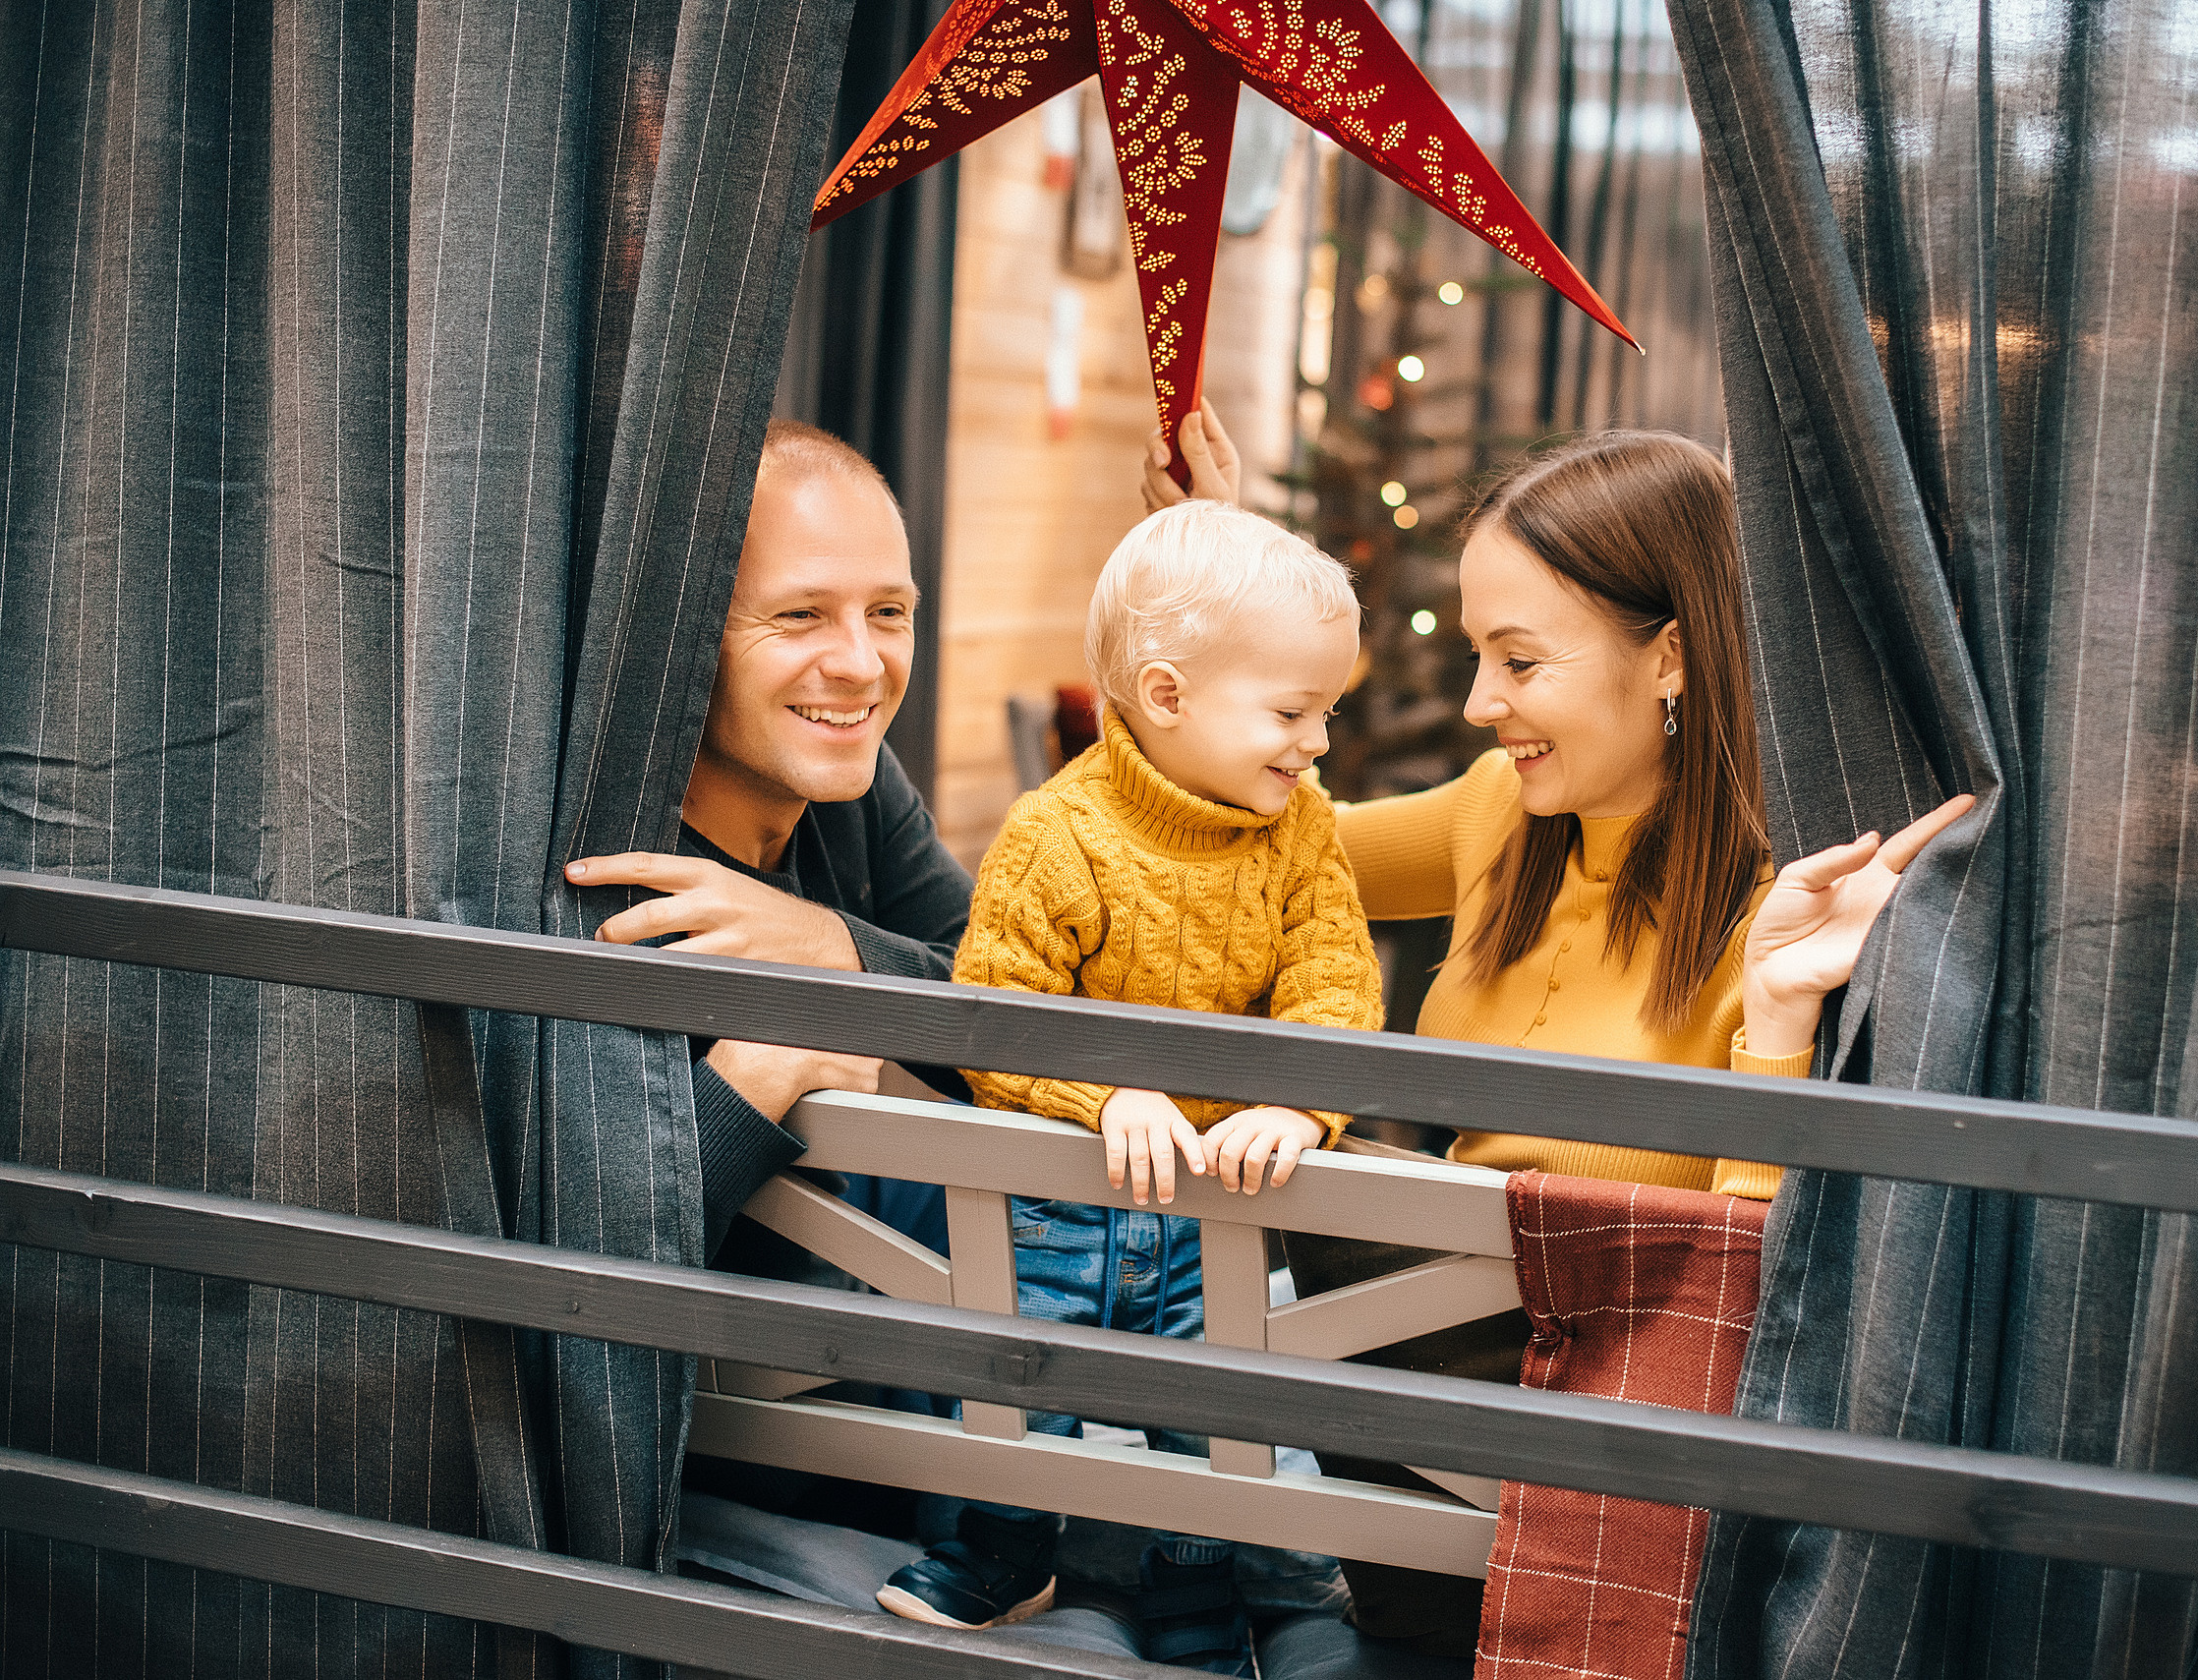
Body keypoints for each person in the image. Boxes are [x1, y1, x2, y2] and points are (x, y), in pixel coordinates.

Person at [1141, 415, 1972, 1651]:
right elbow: (1252, 831)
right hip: (1410, 1413)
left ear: (1673, 656)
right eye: (1482, 656)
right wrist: (1193, 580)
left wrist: (1781, 1014)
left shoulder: (1799, 894)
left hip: (1603, 1461)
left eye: (1519, 661)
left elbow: (1761, 1295)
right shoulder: (1501, 811)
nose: (1481, 702)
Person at [872, 500, 1383, 1671]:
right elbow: (992, 1012)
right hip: (1064, 1195)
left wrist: (1297, 1103)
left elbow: (1336, 981)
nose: (1316, 743)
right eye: (1292, 711)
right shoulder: (1058, 832)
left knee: (1213, 1402)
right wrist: (1104, 1091)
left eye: (1328, 712)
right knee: (1017, 1367)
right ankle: (996, 1548)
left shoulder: (1299, 834)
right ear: (1164, 696)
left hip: (1220, 1203)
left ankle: (1197, 1592)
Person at [564, 419, 970, 1267]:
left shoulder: (848, 781)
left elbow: (1019, 1002)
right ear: (684, 639)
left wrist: (828, 946)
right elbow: (572, 1266)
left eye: (888, 612)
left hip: (856, 1311)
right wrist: (758, 1073)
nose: (861, 663)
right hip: (729, 1381)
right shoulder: (596, 862)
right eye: (799, 615)